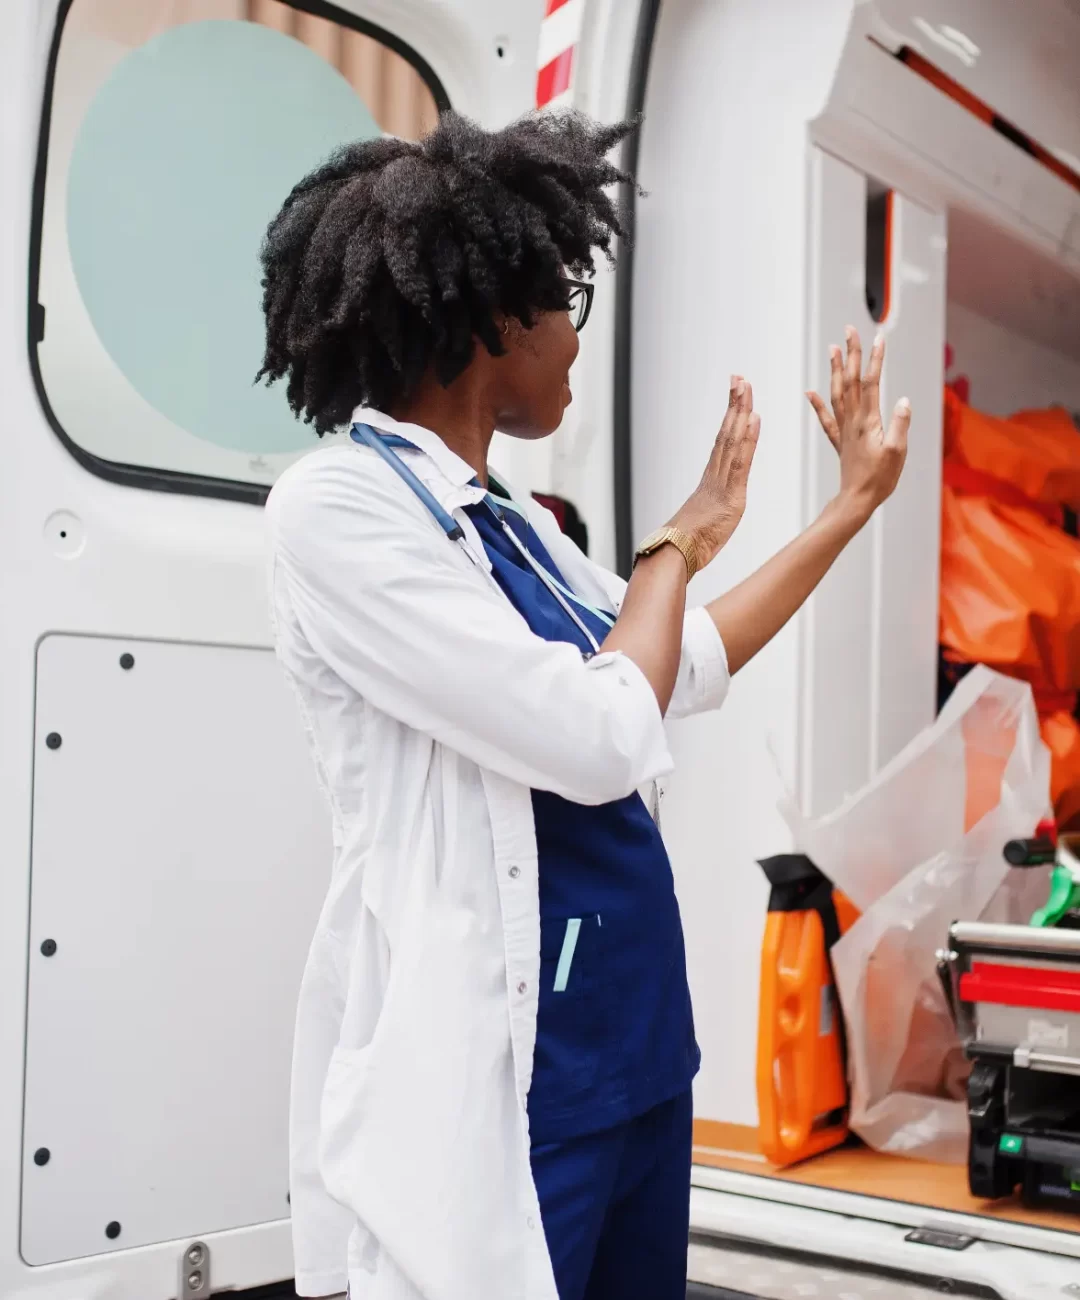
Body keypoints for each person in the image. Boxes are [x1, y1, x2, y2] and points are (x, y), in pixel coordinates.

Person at [257, 111, 910, 1300]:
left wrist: (850, 505)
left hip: (638, 1055)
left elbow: (687, 659)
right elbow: (600, 733)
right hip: (519, 1086)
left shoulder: (511, 525)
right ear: (496, 317)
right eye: (565, 303)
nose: (572, 342)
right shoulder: (337, 510)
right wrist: (676, 542)